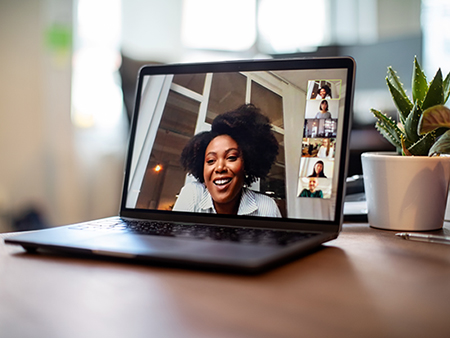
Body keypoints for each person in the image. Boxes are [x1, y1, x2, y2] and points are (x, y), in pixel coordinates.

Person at [173, 104, 282, 217]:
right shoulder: (192, 195)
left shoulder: (266, 208)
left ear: (247, 165)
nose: (220, 168)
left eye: (231, 157)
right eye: (211, 161)